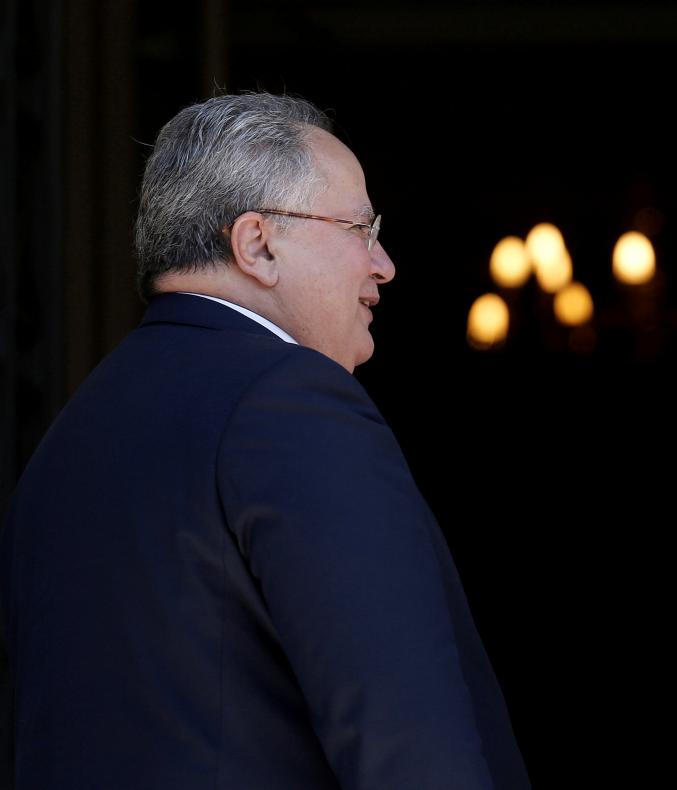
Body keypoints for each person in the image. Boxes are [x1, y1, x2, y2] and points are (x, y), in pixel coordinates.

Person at [1, 92, 530, 788]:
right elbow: (408, 744)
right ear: (257, 244)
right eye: (358, 227)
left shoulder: (73, 432)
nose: (383, 264)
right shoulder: (289, 402)